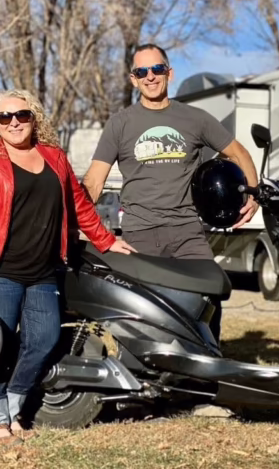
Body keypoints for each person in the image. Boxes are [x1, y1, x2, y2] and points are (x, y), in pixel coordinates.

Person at [0, 89, 135, 445]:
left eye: (21, 115)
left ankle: (13, 408)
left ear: (33, 118)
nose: (14, 122)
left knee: (44, 340)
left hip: (44, 271)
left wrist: (105, 240)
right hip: (1, 273)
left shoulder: (55, 157)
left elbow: (79, 204)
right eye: (5, 117)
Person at [82, 43, 259, 347]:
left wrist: (251, 195)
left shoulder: (195, 118)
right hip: (140, 233)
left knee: (208, 297)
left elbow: (239, 153)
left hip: (187, 231)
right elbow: (94, 181)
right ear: (133, 79)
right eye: (142, 72)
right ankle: (140, 368)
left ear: (169, 73)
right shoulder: (120, 124)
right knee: (141, 311)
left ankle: (206, 359)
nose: (150, 76)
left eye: (157, 69)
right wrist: (79, 223)